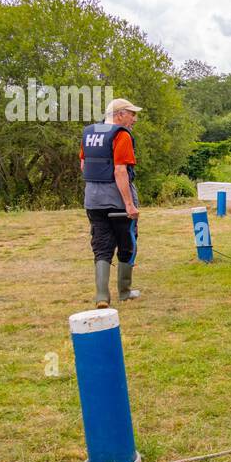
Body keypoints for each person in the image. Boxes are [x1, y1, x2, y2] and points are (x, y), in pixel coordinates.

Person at [80, 97, 143, 308]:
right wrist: (129, 204)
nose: (134, 119)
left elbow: (83, 164)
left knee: (101, 245)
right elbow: (120, 170)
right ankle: (124, 292)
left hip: (93, 199)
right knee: (127, 242)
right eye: (131, 114)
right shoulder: (121, 136)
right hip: (116, 200)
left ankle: (101, 296)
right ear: (120, 114)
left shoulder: (89, 133)